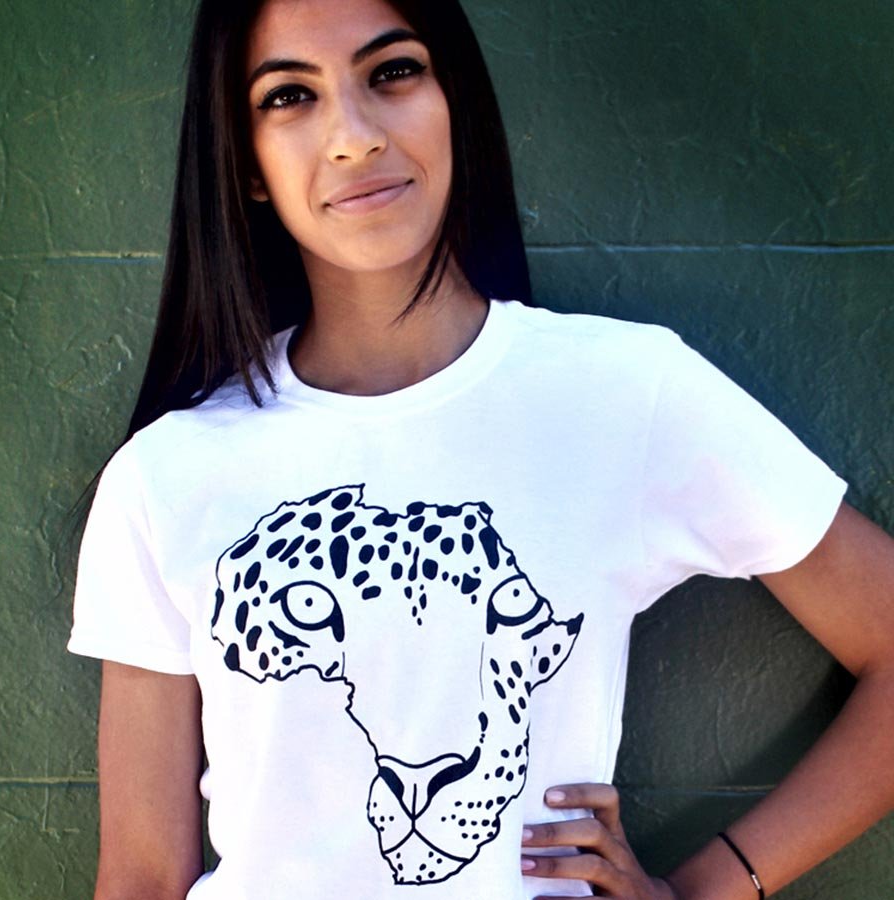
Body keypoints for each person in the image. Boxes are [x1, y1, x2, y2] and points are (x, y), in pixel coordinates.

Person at [68, 0, 894, 897]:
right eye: (289, 97)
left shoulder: (622, 393)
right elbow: (142, 875)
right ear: (246, 164)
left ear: (455, 99)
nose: (353, 137)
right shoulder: (167, 473)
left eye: (393, 72)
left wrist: (710, 887)